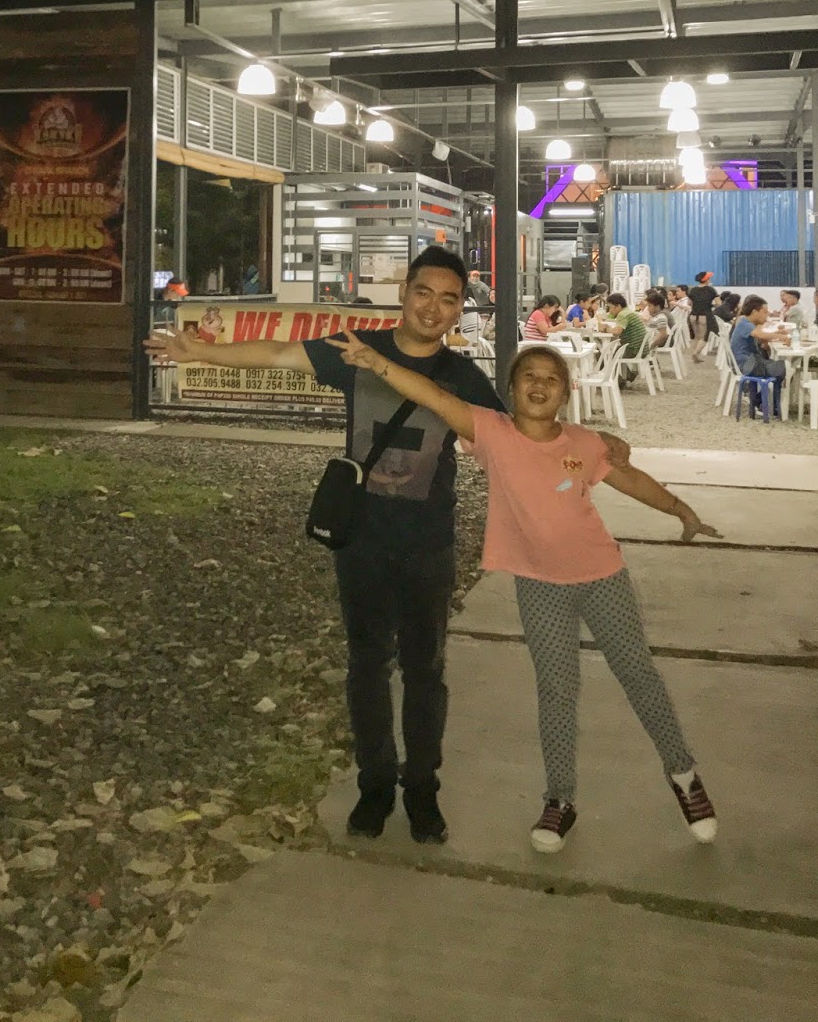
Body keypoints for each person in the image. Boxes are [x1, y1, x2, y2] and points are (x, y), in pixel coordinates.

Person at [144, 245, 631, 846]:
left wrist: (597, 444)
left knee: (425, 671)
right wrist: (199, 351)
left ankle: (422, 788)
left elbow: (524, 436)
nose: (433, 308)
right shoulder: (358, 349)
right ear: (404, 293)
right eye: (423, 292)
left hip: (428, 543)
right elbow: (278, 353)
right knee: (368, 664)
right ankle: (374, 783)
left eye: (448, 299)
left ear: (459, 308)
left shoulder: (462, 378)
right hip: (362, 539)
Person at [330, 333, 720, 854]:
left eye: (551, 379)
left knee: (638, 673)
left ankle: (684, 775)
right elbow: (433, 396)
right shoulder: (491, 433)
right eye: (529, 376)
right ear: (510, 387)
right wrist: (378, 363)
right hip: (539, 585)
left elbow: (630, 479)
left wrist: (680, 509)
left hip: (602, 576)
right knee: (557, 691)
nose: (539, 385)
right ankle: (560, 800)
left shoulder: (584, 443)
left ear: (566, 392)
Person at [731, 295, 788, 417]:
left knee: (780, 367)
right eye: (764, 312)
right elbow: (760, 335)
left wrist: (776, 333)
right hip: (747, 364)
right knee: (785, 368)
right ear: (754, 312)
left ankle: (763, 401)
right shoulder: (745, 324)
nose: (767, 316)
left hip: (750, 362)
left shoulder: (746, 323)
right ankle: (771, 405)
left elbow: (760, 337)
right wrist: (781, 337)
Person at [602, 293, 645, 368]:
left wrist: (605, 329)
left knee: (608, 356)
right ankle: (625, 374)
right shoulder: (628, 311)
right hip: (641, 347)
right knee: (612, 352)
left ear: (618, 306)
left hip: (633, 349)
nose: (610, 311)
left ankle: (607, 373)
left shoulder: (622, 314)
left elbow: (617, 331)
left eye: (610, 308)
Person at [687, 271, 719, 362]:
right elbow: (718, 303)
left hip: (693, 315)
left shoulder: (693, 290)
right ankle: (696, 353)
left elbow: (689, 303)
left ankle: (695, 356)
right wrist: (711, 305)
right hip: (705, 315)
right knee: (704, 337)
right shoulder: (711, 290)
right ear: (706, 279)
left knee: (696, 337)